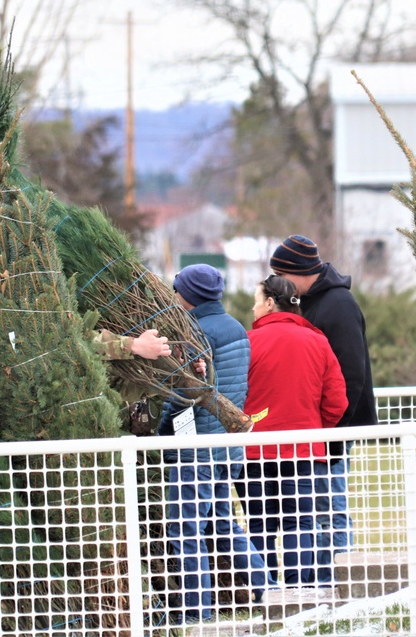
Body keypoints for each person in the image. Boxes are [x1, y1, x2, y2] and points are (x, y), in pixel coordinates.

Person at [156, 264, 269, 623]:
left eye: (177, 291)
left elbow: (185, 394)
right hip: (228, 448)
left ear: (187, 295)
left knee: (186, 530)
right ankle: (271, 591)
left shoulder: (195, 333)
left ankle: (195, 614)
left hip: (197, 449)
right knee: (224, 525)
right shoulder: (236, 328)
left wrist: (161, 430)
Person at [270, 234, 376, 585]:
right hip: (318, 428)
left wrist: (333, 432)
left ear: (297, 272)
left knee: (330, 510)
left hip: (331, 429)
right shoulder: (310, 302)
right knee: (315, 509)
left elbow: (352, 374)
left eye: (278, 274)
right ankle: (319, 584)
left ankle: (338, 585)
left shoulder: (337, 305)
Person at [242, 275, 347, 586]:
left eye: (257, 300)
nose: (253, 306)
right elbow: (337, 402)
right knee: (299, 523)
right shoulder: (318, 342)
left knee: (259, 523)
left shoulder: (248, 342)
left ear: (271, 303)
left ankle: (264, 592)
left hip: (254, 451)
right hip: (304, 449)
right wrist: (315, 427)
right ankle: (297, 591)